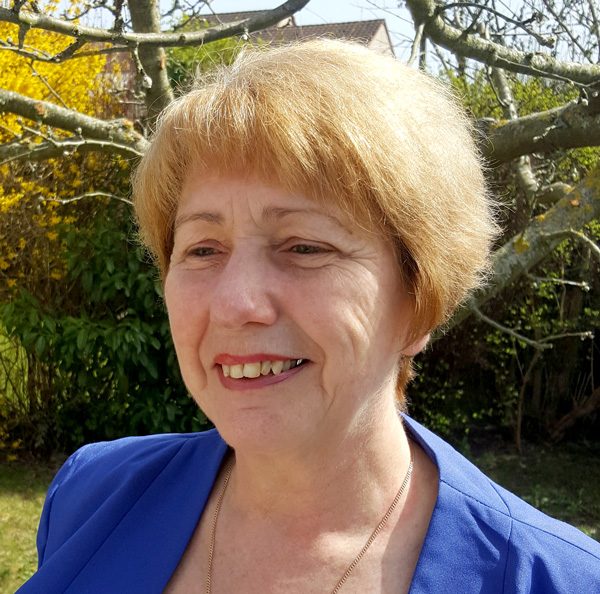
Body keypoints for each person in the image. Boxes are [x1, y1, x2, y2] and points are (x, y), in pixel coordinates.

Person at [17, 39, 600, 594]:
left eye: (304, 247)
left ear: (420, 301)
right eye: (202, 249)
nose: (235, 304)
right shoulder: (90, 496)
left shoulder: (558, 579)